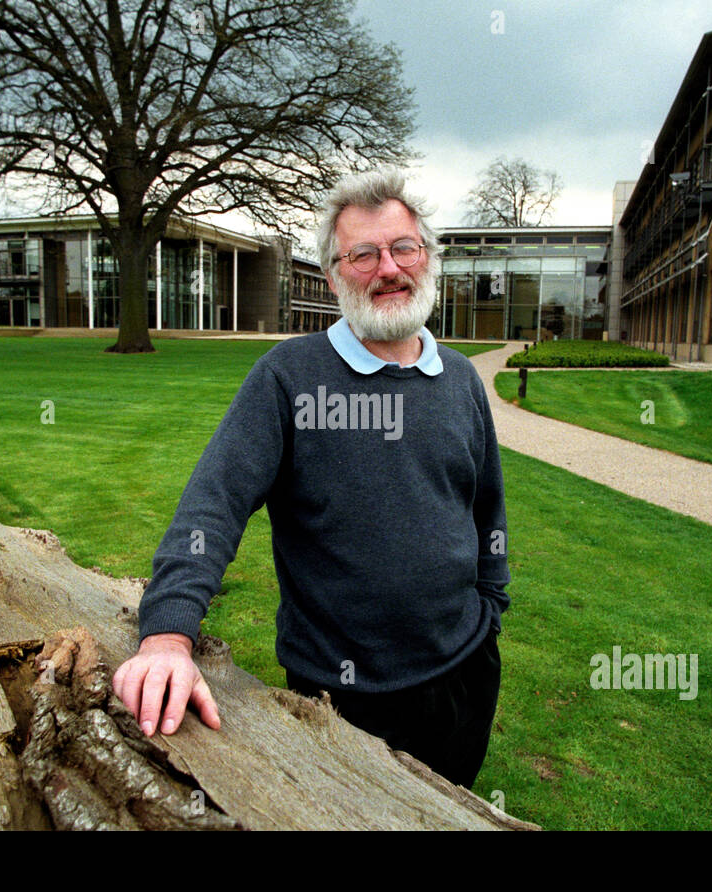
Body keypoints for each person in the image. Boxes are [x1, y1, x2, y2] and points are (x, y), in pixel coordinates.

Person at [111, 168, 510, 788]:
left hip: (465, 670)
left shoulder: (460, 378)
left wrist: (493, 604)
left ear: (426, 258)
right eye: (363, 254)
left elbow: (487, 510)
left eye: (403, 247)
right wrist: (167, 635)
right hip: (343, 693)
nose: (388, 268)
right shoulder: (288, 377)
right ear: (332, 274)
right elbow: (213, 505)